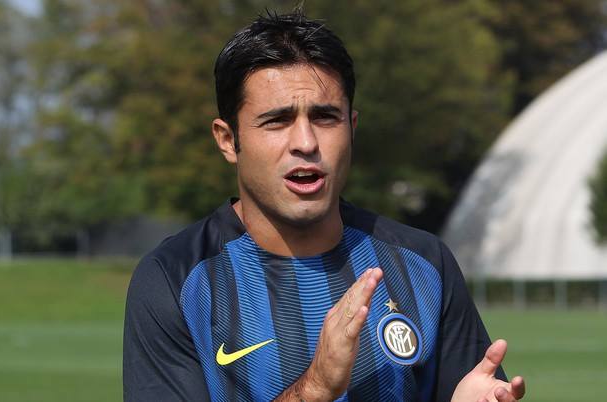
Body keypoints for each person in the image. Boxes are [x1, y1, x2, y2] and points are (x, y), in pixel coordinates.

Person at [123, 10, 525, 402]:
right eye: (277, 120)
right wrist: (315, 389)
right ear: (228, 140)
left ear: (352, 128)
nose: (306, 142)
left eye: (325, 117)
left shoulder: (423, 264)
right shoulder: (175, 279)